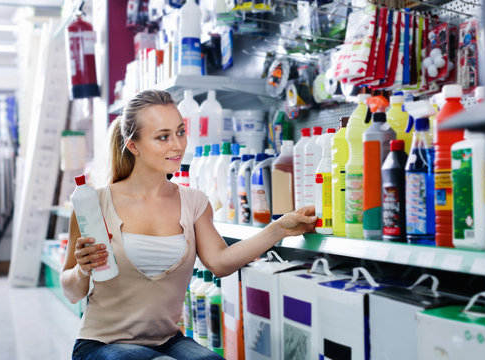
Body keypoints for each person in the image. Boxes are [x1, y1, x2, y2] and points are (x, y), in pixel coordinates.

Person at [61, 89, 317, 360]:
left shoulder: (193, 202)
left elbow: (219, 261)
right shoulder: (94, 204)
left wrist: (278, 229)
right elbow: (72, 292)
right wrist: (82, 269)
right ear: (133, 146)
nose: (178, 145)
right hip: (101, 345)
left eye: (180, 132)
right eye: (163, 137)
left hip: (167, 342)